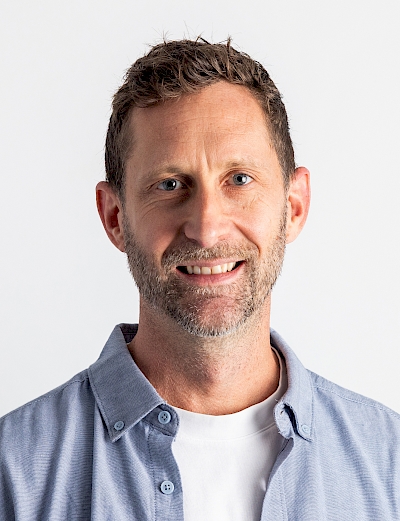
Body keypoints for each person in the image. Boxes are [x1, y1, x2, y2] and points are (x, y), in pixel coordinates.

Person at [0, 38, 399, 521]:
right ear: (115, 217)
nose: (207, 228)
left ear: (293, 206)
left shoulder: (389, 465)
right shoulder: (13, 473)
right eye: (170, 184)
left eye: (239, 179)